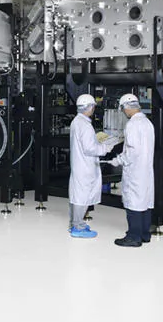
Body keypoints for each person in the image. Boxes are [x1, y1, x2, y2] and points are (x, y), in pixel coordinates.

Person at [105, 94, 155, 247]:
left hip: (134, 171)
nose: (123, 112)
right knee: (145, 201)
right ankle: (144, 234)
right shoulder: (147, 123)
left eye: (123, 109)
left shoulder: (132, 125)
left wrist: (118, 160)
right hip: (146, 170)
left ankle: (133, 237)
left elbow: (132, 151)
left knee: (133, 202)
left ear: (126, 107)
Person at [69, 94, 120, 238]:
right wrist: (106, 147)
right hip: (85, 166)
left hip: (80, 164)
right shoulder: (85, 125)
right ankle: (77, 227)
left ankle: (76, 223)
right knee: (81, 197)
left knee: (79, 195)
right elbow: (89, 148)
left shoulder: (77, 121)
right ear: (90, 107)